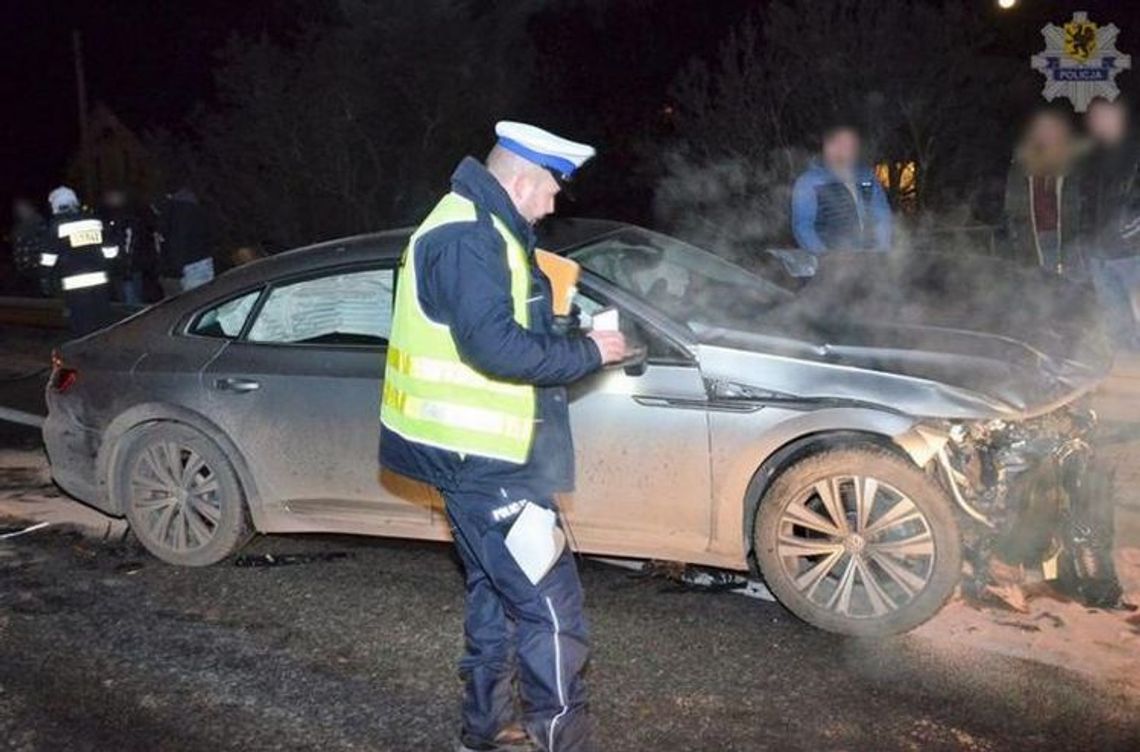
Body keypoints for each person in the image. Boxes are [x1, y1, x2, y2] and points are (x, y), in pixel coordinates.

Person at [379, 121, 626, 752]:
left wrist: (558, 319)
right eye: (550, 190)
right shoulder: (469, 236)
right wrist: (589, 351)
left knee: (495, 601)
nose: (552, 204)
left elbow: (495, 328)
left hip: (481, 462)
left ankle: (483, 734)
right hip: (488, 466)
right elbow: (495, 349)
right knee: (551, 613)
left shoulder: (477, 224)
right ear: (520, 179)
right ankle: (558, 742)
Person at [1079, 97, 1140, 349]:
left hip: (1132, 253)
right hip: (1100, 254)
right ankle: (1128, 367)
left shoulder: (1134, 150)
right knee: (1115, 321)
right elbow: (1087, 202)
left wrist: (1133, 225)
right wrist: (1085, 241)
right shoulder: (1095, 155)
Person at [1003, 108, 1085, 275]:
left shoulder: (1072, 167)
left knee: (1073, 289)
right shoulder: (1020, 170)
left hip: (1067, 239)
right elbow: (1012, 210)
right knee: (1042, 291)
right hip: (1034, 240)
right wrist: (1018, 243)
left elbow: (1082, 203)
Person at [791, 124, 892, 254]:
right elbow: (803, 227)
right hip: (832, 261)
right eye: (836, 144)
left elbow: (882, 216)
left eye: (848, 146)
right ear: (826, 147)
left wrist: (882, 253)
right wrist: (827, 259)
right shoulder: (810, 181)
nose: (842, 150)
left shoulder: (867, 177)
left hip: (867, 258)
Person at [41, 186, 112, 335]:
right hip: (100, 280)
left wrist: (45, 279)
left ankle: (84, 354)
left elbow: (48, 259)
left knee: (81, 323)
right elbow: (110, 250)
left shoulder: (56, 226)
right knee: (102, 321)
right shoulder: (94, 221)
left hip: (74, 284)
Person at [155, 186, 215, 295]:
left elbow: (174, 240)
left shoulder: (174, 211)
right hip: (194, 262)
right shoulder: (187, 208)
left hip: (187, 264)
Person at [99, 188, 154, 306]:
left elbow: (128, 247)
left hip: (127, 270)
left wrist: (125, 269)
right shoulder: (117, 220)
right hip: (125, 269)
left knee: (130, 304)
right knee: (128, 301)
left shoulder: (124, 221)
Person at [8, 197, 47, 295]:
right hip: (23, 271)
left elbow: (45, 246)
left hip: (37, 269)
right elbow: (15, 249)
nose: (21, 211)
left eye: (23, 208)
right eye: (19, 209)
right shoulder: (18, 229)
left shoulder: (39, 224)